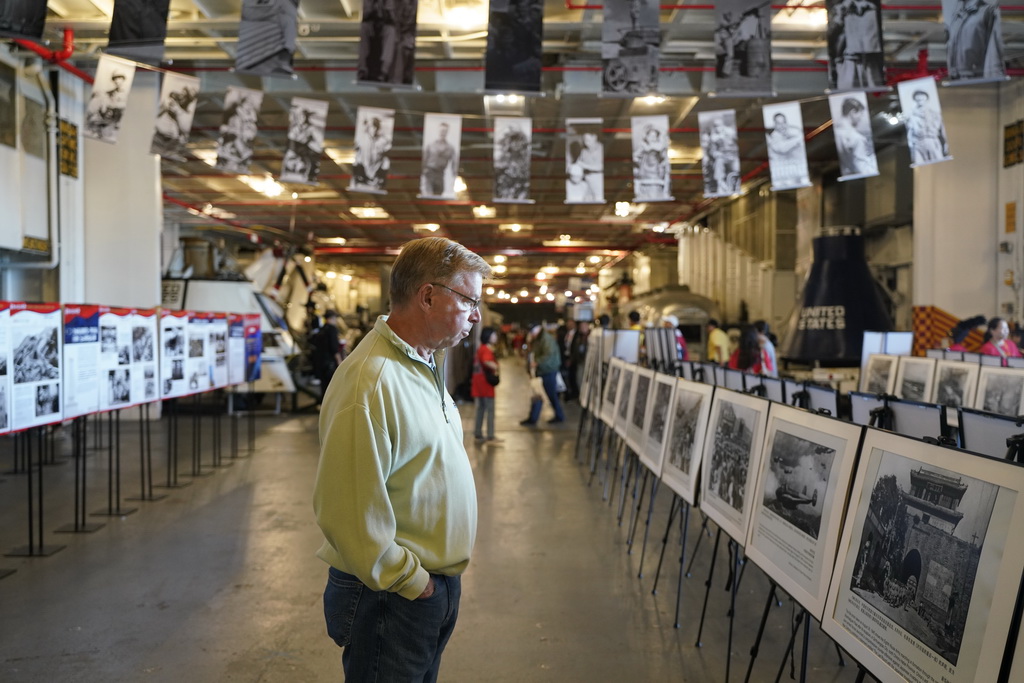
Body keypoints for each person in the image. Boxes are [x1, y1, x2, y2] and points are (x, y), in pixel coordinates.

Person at [314, 237, 490, 681]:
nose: (476, 315)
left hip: (426, 589)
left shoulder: (425, 363)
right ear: (428, 296)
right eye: (469, 299)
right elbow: (350, 515)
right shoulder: (370, 382)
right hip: (390, 596)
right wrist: (417, 585)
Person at [828, 0, 883, 89]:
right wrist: (840, 17)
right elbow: (831, 34)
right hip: (848, 59)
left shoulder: (872, 8)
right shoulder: (840, 9)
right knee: (848, 94)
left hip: (869, 59)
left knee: (874, 93)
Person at [947, 0, 1004, 82]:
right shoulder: (957, 15)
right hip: (957, 79)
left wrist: (993, 80)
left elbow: (993, 51)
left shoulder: (987, 11)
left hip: (975, 79)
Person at [521, 322, 565, 425]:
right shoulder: (538, 339)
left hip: (548, 370)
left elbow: (548, 355)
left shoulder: (546, 339)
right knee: (538, 394)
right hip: (542, 370)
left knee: (550, 394)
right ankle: (533, 418)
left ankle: (559, 415)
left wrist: (537, 362)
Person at [833, 96, 878, 178]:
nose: (861, 118)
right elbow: (862, 169)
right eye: (860, 114)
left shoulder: (836, 133)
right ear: (853, 112)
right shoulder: (856, 138)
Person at [766, 112, 809, 187]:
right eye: (779, 123)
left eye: (784, 122)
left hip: (796, 172)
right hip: (782, 177)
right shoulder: (774, 138)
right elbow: (783, 148)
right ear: (774, 125)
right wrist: (798, 138)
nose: (782, 126)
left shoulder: (788, 133)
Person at [471, 327, 500, 442]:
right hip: (486, 384)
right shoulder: (486, 349)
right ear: (488, 336)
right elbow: (487, 361)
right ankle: (490, 435)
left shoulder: (480, 348)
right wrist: (496, 366)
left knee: (481, 409)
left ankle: (478, 433)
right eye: (494, 334)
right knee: (490, 409)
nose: (496, 337)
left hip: (479, 383)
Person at [906, 89, 949, 164]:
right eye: (918, 99)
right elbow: (910, 133)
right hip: (918, 144)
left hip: (932, 141)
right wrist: (911, 147)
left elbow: (943, 130)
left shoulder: (935, 114)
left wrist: (946, 143)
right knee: (919, 163)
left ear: (926, 99)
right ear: (915, 100)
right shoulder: (911, 116)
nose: (921, 101)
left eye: (922, 99)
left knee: (939, 162)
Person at [310, 310, 342, 402]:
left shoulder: (322, 329)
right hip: (330, 363)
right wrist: (339, 361)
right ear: (331, 318)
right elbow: (334, 347)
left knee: (324, 386)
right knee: (332, 386)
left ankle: (323, 405)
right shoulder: (332, 329)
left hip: (321, 362)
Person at [352, 115, 392, 190]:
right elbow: (355, 148)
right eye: (372, 127)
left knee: (386, 162)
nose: (374, 129)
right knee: (357, 158)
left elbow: (388, 150)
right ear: (368, 128)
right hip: (365, 166)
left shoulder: (383, 140)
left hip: (375, 166)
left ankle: (375, 178)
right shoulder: (362, 138)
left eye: (376, 127)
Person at [634, 124, 671, 200]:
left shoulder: (660, 146)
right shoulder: (643, 146)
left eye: (654, 136)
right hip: (645, 170)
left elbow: (664, 158)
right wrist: (638, 162)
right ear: (647, 137)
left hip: (656, 170)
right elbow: (635, 155)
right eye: (651, 136)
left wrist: (663, 164)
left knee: (656, 187)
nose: (652, 138)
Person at [421, 121, 456, 197]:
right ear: (438, 131)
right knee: (428, 195)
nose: (442, 132)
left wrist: (454, 178)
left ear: (447, 132)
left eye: (445, 131)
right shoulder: (430, 145)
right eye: (441, 130)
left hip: (440, 174)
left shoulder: (450, 148)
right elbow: (424, 160)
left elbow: (454, 164)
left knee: (438, 194)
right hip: (429, 173)